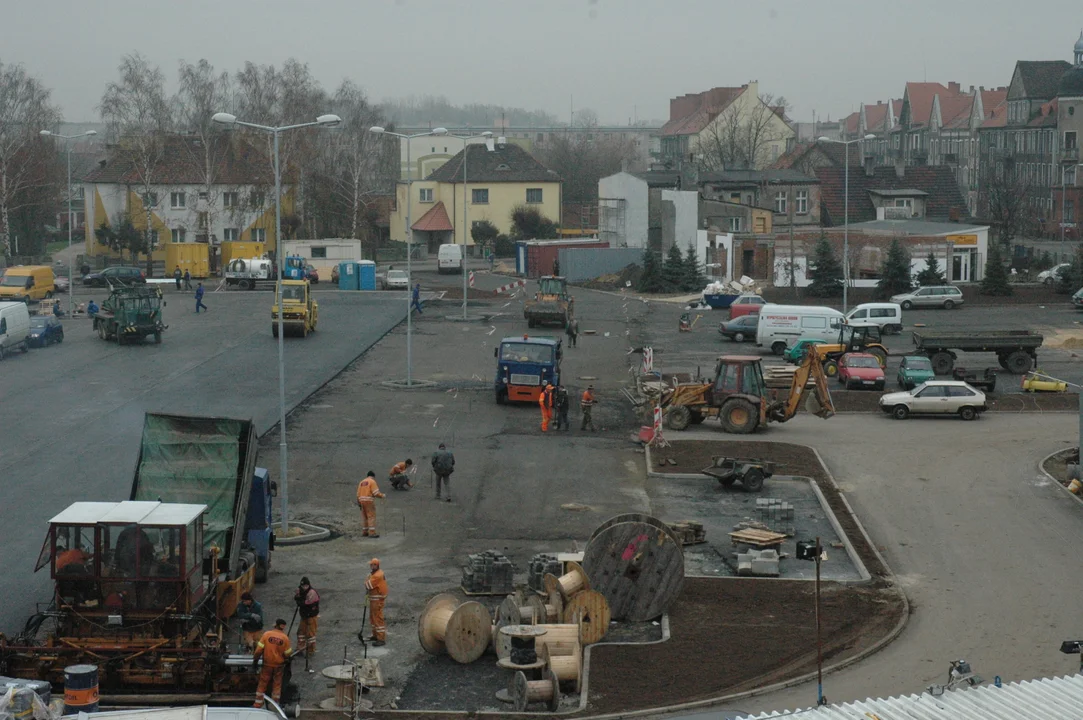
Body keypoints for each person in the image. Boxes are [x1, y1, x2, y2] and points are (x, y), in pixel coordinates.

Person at [252, 618, 292, 709]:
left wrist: (255, 661)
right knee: (277, 684)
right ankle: (275, 705)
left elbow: (258, 650)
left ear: (275, 625)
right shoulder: (285, 638)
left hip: (267, 665)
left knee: (262, 683)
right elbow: (288, 653)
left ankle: (258, 704)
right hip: (279, 665)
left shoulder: (267, 635)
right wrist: (286, 659)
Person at [294, 577, 320, 657]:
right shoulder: (300, 590)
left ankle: (310, 651)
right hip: (304, 615)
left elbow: (307, 603)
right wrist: (297, 598)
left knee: (311, 634)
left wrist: (300, 601)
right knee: (301, 633)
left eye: (306, 586)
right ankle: (300, 649)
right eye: (303, 586)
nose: (304, 587)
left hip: (311, 616)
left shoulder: (312, 592)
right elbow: (297, 598)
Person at [364, 558, 389, 646]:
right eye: (371, 565)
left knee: (377, 618)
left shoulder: (377, 575)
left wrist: (367, 579)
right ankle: (375, 635)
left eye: (373, 565)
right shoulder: (377, 573)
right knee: (373, 617)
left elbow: (368, 585)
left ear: (377, 565)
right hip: (374, 600)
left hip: (377, 600)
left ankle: (381, 639)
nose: (371, 566)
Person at [356, 470, 385, 537]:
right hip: (369, 501)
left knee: (365, 517)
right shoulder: (372, 481)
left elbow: (358, 494)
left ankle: (365, 532)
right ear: (373, 476)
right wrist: (382, 495)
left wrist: (359, 503)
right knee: (371, 516)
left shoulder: (361, 482)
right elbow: (376, 493)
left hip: (361, 501)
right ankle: (372, 532)